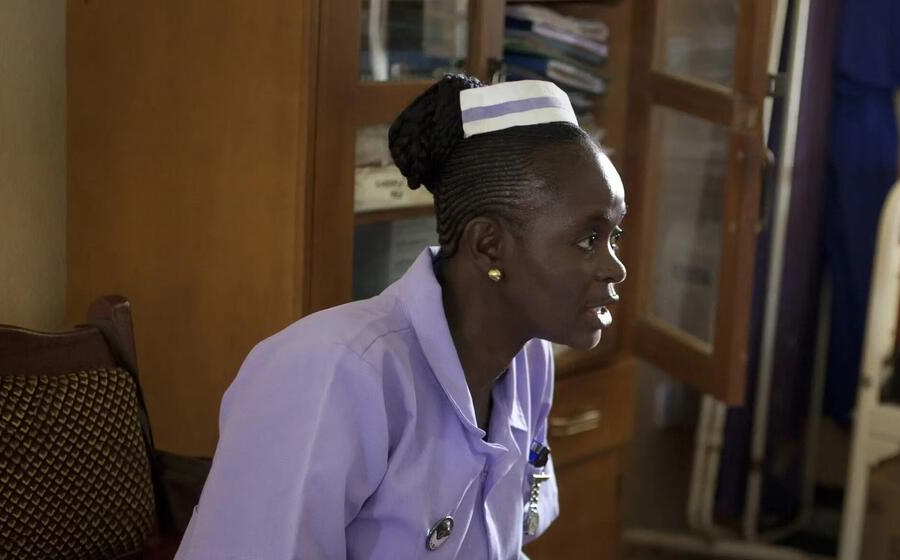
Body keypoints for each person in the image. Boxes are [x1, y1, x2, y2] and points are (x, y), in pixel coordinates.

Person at [176, 75, 627, 558]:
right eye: (587, 239)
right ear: (488, 245)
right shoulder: (334, 373)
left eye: (614, 236)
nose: (615, 266)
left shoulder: (531, 361)